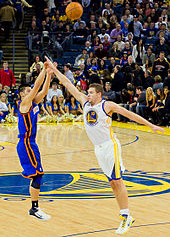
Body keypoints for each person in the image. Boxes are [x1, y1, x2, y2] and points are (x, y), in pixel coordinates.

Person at [45, 56, 164, 235]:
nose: (88, 94)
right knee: (112, 183)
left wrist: (151, 125)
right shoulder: (84, 102)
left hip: (110, 146)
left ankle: (126, 216)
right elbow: (68, 85)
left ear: (99, 94)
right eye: (88, 92)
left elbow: (130, 115)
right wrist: (54, 71)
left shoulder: (107, 105)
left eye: (91, 93)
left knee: (118, 180)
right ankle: (125, 216)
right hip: (98, 149)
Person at [17, 62, 51, 220]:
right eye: (28, 91)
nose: (32, 92)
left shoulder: (33, 103)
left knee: (37, 175)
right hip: (25, 143)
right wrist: (44, 69)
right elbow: (37, 86)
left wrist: (49, 75)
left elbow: (43, 90)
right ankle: (34, 208)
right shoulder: (24, 104)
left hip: (31, 143)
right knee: (38, 175)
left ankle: (34, 208)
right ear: (23, 95)